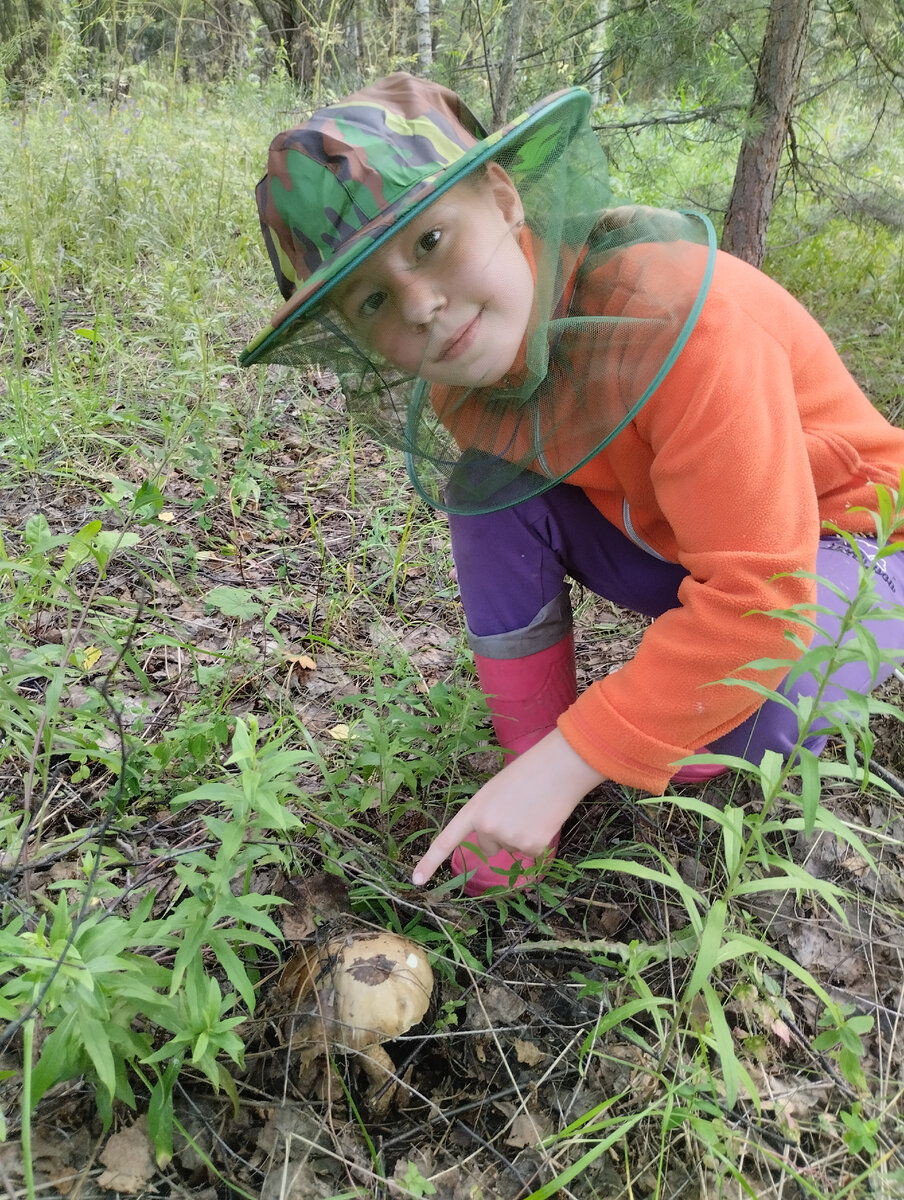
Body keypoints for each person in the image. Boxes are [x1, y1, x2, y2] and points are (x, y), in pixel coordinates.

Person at [240, 72, 904, 896]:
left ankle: (566, 767)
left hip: (847, 540)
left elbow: (763, 599)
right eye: (374, 297)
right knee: (490, 486)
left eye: (432, 243)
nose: (420, 305)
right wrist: (542, 760)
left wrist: (578, 761)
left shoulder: (678, 319)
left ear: (504, 196)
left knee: (753, 709)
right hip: (685, 537)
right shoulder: (464, 376)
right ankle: (527, 762)